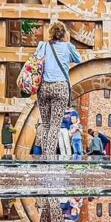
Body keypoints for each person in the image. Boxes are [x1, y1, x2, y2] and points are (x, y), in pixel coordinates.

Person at [34, 22, 82, 157]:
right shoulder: (68, 46)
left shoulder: (43, 45)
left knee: (45, 124)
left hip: (43, 87)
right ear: (64, 33)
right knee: (55, 125)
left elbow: (35, 61)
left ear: (50, 32)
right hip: (60, 87)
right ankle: (49, 155)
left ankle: (44, 155)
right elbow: (78, 59)